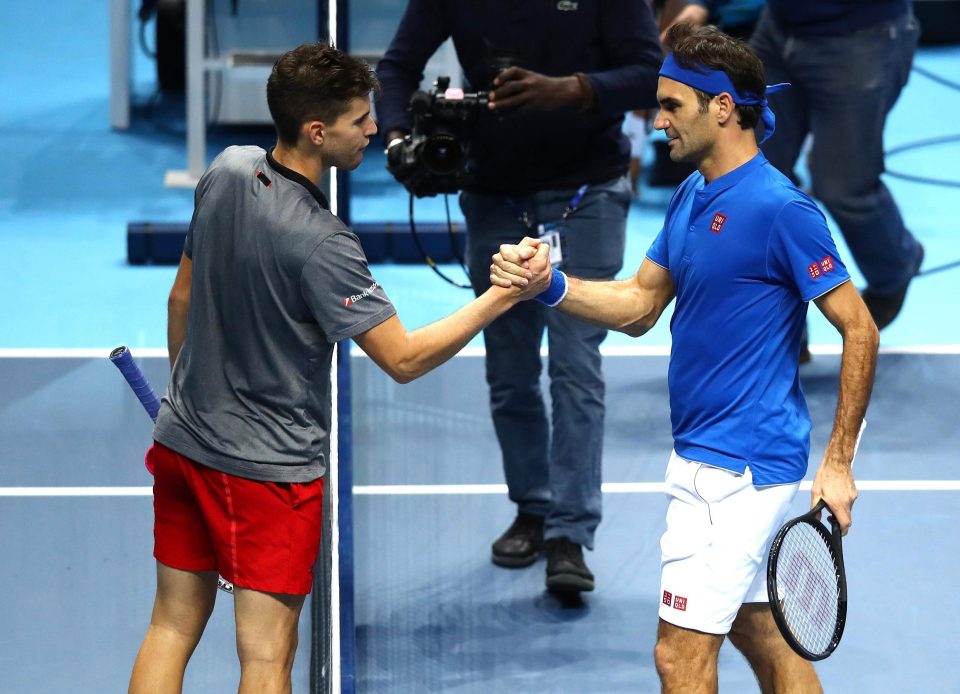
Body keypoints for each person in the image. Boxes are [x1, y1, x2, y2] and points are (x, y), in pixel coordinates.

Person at [127, 43, 549, 694]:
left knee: (171, 628)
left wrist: (186, 401)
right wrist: (503, 296)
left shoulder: (227, 170)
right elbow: (404, 359)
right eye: (361, 120)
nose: (374, 131)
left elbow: (179, 298)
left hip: (181, 445)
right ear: (317, 131)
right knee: (267, 657)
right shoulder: (325, 244)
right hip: (267, 476)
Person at [491, 24, 878, 692]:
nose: (657, 118)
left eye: (672, 105)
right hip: (699, 455)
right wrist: (547, 283)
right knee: (762, 634)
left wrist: (838, 462)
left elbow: (859, 329)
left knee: (678, 656)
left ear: (722, 108)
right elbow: (641, 304)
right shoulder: (693, 193)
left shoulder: (782, 209)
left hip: (743, 468)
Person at [375, 0, 663, 595]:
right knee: (509, 369)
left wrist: (571, 90)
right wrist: (400, 135)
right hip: (494, 197)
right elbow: (397, 66)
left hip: (587, 196)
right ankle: (532, 509)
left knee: (575, 366)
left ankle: (570, 533)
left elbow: (647, 71)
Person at [673, 0, 925, 332]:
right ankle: (779, 322)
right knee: (743, 175)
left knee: (843, 187)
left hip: (862, 37)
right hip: (778, 28)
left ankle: (894, 268)